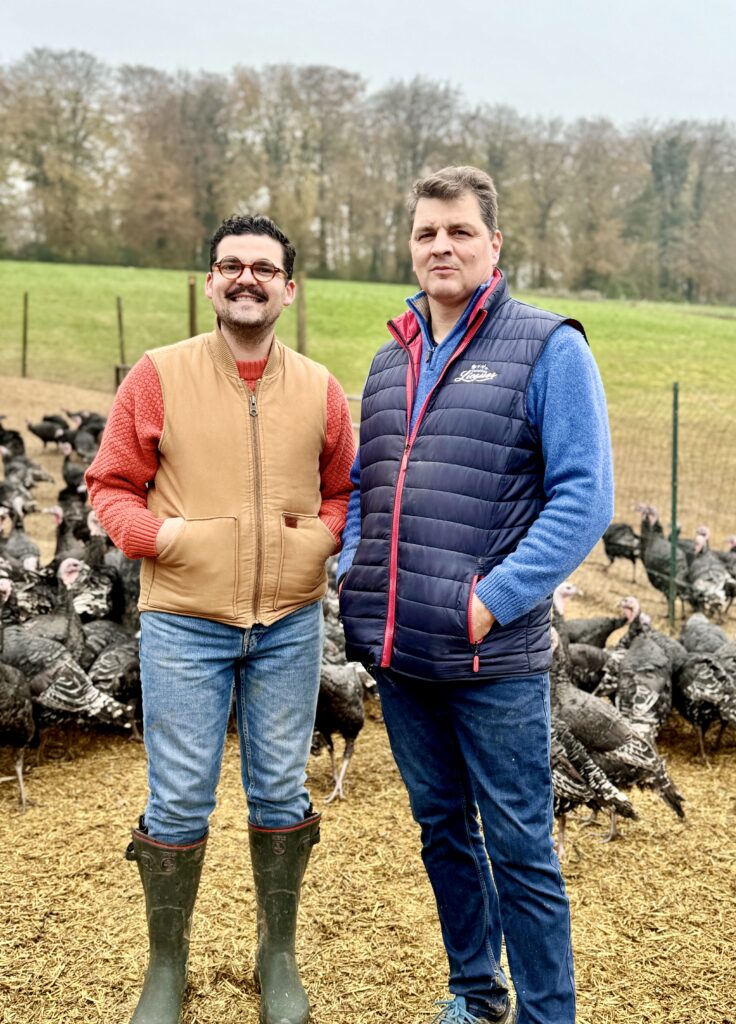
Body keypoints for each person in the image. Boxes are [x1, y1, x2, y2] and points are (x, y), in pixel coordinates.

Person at [337, 167, 613, 1024]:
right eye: (427, 232)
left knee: (522, 847)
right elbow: (367, 487)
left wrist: (493, 598)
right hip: (401, 655)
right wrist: (352, 569)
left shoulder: (549, 347)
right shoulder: (390, 361)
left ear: (494, 244)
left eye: (459, 230)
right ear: (410, 246)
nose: (441, 246)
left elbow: (584, 497)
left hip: (492, 655)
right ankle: (476, 992)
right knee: (443, 830)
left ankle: (546, 1015)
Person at [86, 214, 355, 1024]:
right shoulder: (157, 375)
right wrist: (166, 540)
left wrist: (319, 543)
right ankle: (166, 967)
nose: (247, 278)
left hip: (289, 622)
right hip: (184, 619)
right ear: (209, 282)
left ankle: (277, 956)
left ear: (288, 289)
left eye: (264, 269)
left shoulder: (321, 388)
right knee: (177, 799)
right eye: (231, 265)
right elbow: (110, 485)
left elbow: (344, 490)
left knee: (279, 791)